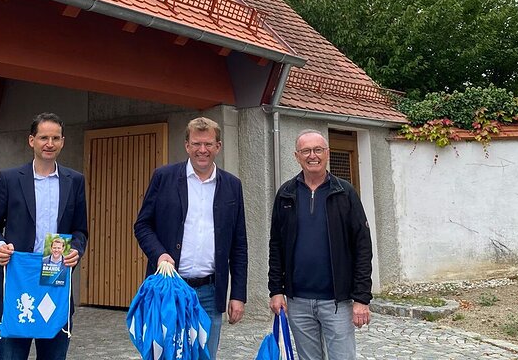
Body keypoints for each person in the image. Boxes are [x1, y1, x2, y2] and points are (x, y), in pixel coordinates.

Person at [133, 116, 248, 360]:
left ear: (218, 146)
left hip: (210, 291)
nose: (202, 150)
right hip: (170, 289)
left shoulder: (232, 186)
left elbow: (239, 245)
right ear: (187, 145)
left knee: (204, 355)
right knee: (165, 355)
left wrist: (238, 294)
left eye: (208, 144)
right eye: (196, 144)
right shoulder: (164, 178)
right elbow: (142, 225)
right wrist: (159, 254)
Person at [0, 113, 88, 360]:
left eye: (55, 138)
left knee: (53, 355)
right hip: (18, 280)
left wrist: (77, 250)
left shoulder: (75, 181)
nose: (49, 143)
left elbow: (80, 230)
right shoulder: (10, 179)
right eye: (43, 137)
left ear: (62, 141)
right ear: (32, 141)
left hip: (55, 278)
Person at [268, 130, 372, 360]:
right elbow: (276, 245)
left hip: (337, 301)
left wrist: (362, 298)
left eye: (318, 150)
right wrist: (276, 291)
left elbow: (363, 246)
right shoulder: (286, 194)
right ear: (297, 156)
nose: (312, 155)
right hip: (298, 302)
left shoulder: (345, 193)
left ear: (327, 153)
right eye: (306, 151)